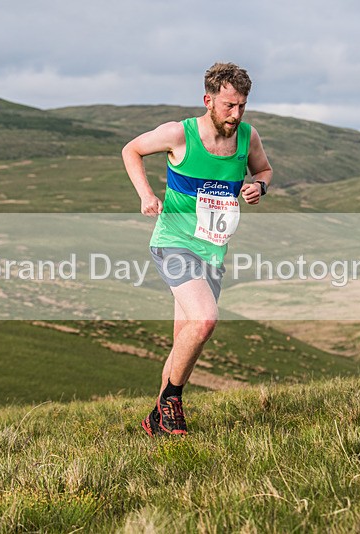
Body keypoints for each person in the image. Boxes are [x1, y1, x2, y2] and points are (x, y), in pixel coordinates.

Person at [122, 62, 273, 436]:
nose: (236, 114)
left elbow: (264, 171)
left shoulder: (247, 138)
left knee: (183, 342)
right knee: (205, 320)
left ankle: (157, 422)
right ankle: (172, 400)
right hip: (173, 241)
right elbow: (132, 150)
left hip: (212, 250)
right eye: (228, 106)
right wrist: (146, 194)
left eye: (242, 106)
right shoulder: (179, 134)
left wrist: (260, 187)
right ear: (208, 100)